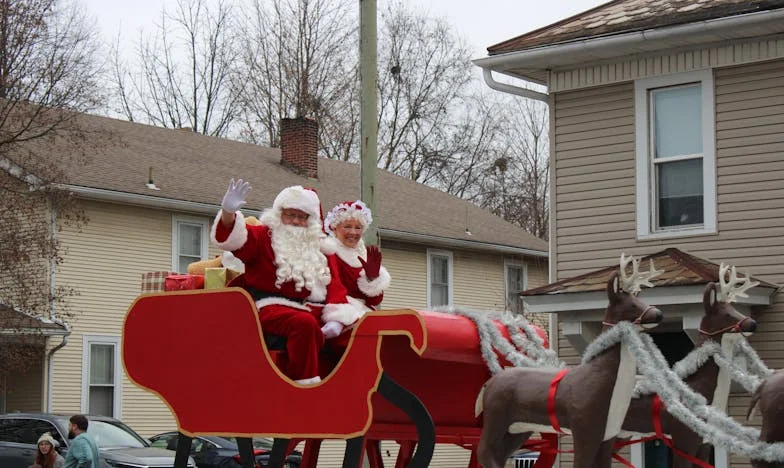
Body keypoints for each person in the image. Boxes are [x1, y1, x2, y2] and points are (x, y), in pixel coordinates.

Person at [211, 179, 363, 385]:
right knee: (304, 324)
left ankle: (355, 384)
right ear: (279, 214)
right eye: (291, 215)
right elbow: (234, 240)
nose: (297, 221)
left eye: (302, 217)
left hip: (310, 308)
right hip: (270, 306)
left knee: (361, 328)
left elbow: (335, 285)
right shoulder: (265, 236)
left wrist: (338, 319)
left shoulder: (319, 247)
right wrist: (228, 213)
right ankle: (306, 384)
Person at [323, 200, 391, 316]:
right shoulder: (329, 252)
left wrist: (372, 279)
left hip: (364, 314)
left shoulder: (363, 254)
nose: (353, 232)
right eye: (347, 227)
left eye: (358, 228)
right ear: (334, 228)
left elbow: (375, 301)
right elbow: (331, 291)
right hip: (339, 313)